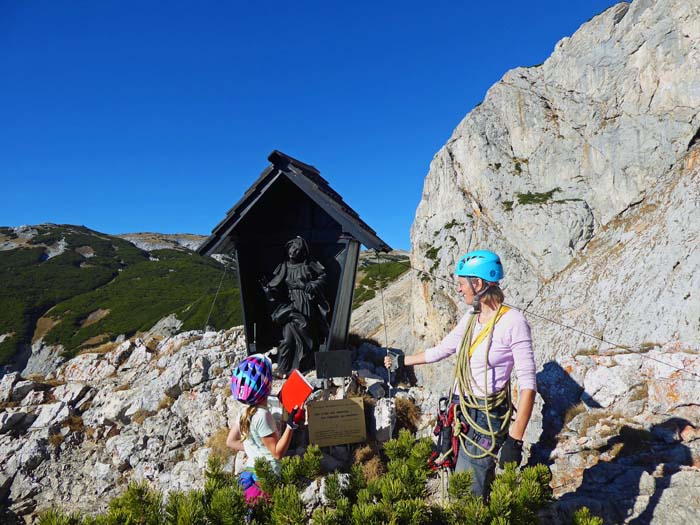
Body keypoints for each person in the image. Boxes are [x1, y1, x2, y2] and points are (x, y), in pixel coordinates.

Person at [385, 249, 536, 497]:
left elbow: (528, 384)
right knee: (458, 481)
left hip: (486, 415)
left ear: (478, 284)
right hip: (461, 411)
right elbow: (443, 349)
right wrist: (402, 361)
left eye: (462, 283)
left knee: (468, 490)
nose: (458, 289)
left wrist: (515, 439)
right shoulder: (471, 317)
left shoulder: (513, 322)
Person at [226, 354, 305, 502]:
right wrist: (291, 425)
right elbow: (277, 453)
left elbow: (230, 441)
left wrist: (254, 449)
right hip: (268, 476)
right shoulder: (262, 415)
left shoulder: (244, 412)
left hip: (250, 472)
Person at [261, 236, 330, 377]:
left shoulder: (308, 265)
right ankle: (283, 370)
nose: (294, 251)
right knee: (286, 340)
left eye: (298, 250)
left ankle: (302, 368)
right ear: (288, 247)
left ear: (303, 252)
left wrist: (306, 286)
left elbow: (323, 278)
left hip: (305, 304)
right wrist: (269, 292)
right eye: (293, 247)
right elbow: (277, 288)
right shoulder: (283, 266)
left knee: (305, 338)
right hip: (290, 307)